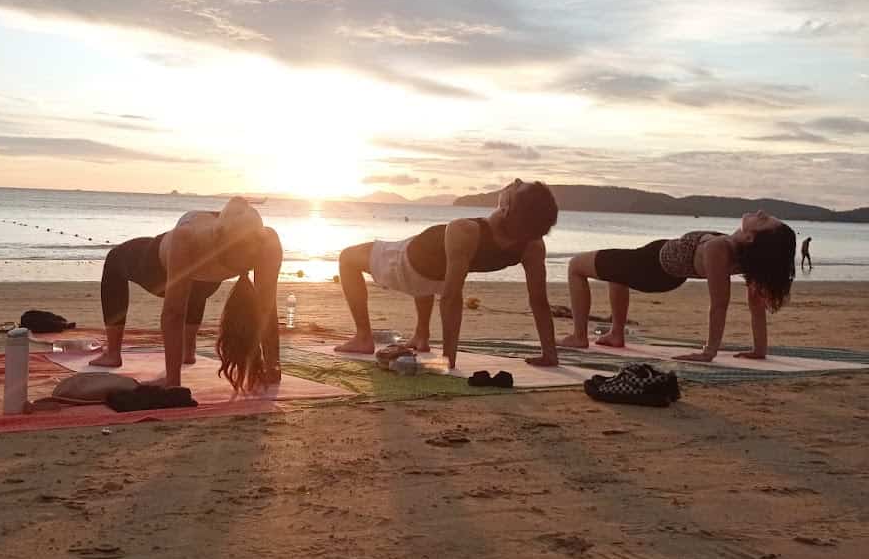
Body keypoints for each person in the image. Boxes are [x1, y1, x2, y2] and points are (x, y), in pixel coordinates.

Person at [335, 179, 561, 367]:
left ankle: (363, 337)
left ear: (505, 208)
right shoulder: (531, 245)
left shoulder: (467, 231)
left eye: (517, 187)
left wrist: (448, 360)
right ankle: (421, 335)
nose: (515, 182)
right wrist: (550, 354)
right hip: (432, 274)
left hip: (403, 264)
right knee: (439, 270)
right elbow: (539, 301)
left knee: (347, 258)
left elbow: (451, 298)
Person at [92, 197, 283, 392]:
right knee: (191, 283)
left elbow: (173, 313)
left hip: (168, 275)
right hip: (190, 278)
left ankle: (113, 354)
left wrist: (172, 382)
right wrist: (273, 366)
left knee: (114, 259)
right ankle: (187, 351)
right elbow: (266, 306)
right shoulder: (265, 242)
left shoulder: (191, 240)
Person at [557, 211, 796, 362]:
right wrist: (759, 350)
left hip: (650, 268)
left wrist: (708, 352)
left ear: (750, 238)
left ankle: (579, 336)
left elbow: (719, 305)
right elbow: (755, 305)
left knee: (576, 265)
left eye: (763, 220)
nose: (761, 212)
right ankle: (616, 333)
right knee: (617, 272)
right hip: (652, 262)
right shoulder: (742, 256)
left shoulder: (719, 249)